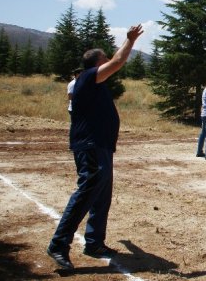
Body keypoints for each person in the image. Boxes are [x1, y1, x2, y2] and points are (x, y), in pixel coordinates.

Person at [47, 24, 143, 270]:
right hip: (89, 145)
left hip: (101, 146)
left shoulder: (95, 82)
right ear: (95, 63)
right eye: (104, 59)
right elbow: (118, 62)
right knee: (87, 192)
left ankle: (94, 242)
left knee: (102, 194)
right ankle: (58, 244)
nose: (108, 61)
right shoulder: (88, 77)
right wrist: (129, 40)